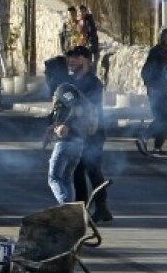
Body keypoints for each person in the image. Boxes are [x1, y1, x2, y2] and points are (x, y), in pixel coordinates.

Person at [67, 46, 113, 222]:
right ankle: (84, 209)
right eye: (70, 57)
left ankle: (99, 207)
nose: (71, 61)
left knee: (91, 169)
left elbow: (88, 106)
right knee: (79, 171)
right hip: (77, 132)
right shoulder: (72, 81)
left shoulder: (93, 83)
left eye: (75, 57)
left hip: (93, 132)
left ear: (86, 60)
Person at [46, 46, 94, 205]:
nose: (46, 78)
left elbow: (77, 107)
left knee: (54, 178)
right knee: (66, 178)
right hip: (77, 142)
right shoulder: (66, 89)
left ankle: (66, 207)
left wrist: (64, 126)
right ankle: (72, 209)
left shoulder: (64, 89)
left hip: (68, 141)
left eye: (48, 74)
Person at [137, 28, 167, 156]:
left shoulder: (163, 52)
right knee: (163, 119)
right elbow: (147, 70)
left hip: (161, 89)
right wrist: (152, 85)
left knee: (165, 119)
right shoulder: (157, 51)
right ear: (161, 37)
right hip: (156, 90)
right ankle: (145, 137)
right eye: (166, 36)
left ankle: (157, 147)